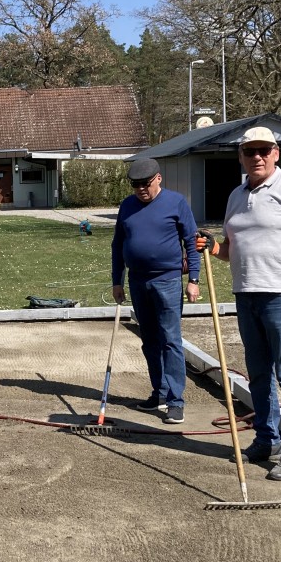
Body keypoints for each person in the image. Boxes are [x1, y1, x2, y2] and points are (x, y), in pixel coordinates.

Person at [196, 126, 281, 481]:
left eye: (264, 150)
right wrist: (213, 248)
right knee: (258, 375)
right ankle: (267, 439)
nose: (257, 157)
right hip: (246, 295)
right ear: (240, 156)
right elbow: (232, 248)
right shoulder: (236, 195)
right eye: (249, 151)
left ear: (275, 153)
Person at [111, 158, 201, 425]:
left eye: (145, 184)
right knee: (149, 340)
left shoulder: (176, 203)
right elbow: (118, 244)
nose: (141, 189)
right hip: (138, 281)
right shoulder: (127, 206)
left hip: (168, 281)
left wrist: (194, 279)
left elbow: (191, 241)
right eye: (135, 185)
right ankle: (159, 392)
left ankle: (175, 401)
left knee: (170, 340)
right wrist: (117, 281)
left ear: (158, 179)